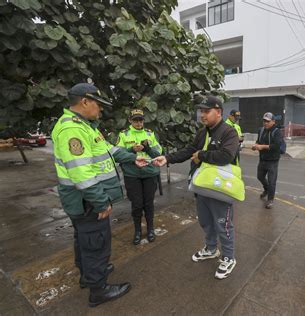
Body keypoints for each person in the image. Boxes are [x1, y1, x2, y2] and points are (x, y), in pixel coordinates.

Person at [52, 83, 148, 307]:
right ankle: (98, 289)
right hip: (87, 201)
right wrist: (101, 202)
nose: (101, 109)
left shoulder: (86, 126)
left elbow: (109, 150)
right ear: (84, 102)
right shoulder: (72, 129)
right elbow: (82, 174)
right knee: (96, 242)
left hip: (83, 200)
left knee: (85, 239)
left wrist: (132, 157)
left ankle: (88, 275)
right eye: (98, 104)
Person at [153, 95, 240, 279]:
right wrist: (167, 158)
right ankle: (210, 249)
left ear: (219, 112)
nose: (202, 115)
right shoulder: (203, 132)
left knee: (223, 223)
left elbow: (226, 156)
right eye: (201, 111)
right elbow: (189, 150)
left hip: (220, 187)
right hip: (202, 185)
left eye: (206, 111)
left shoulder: (228, 132)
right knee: (205, 221)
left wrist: (201, 155)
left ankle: (228, 257)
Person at [116, 109, 163, 245]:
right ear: (130, 120)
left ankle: (150, 229)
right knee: (136, 205)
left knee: (148, 204)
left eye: (140, 120)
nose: (138, 123)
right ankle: (137, 231)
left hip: (149, 173)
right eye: (135, 120)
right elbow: (117, 153)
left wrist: (147, 148)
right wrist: (132, 150)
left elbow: (158, 153)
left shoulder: (150, 134)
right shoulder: (124, 135)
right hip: (132, 174)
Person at [252, 112, 282, 209]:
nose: (265, 123)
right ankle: (266, 189)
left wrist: (262, 147)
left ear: (273, 121)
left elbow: (277, 146)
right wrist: (256, 146)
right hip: (262, 159)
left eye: (268, 121)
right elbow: (258, 141)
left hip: (273, 161)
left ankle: (270, 199)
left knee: (272, 181)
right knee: (259, 176)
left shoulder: (277, 132)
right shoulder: (261, 130)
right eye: (264, 121)